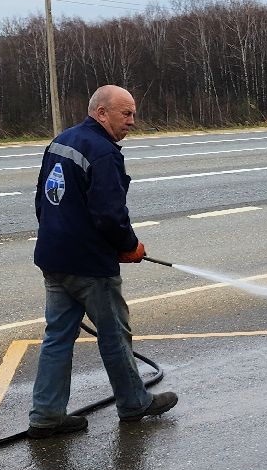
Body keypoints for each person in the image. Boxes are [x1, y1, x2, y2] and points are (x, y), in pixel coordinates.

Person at [27, 84, 177, 437]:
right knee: (114, 335)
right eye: (126, 114)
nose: (132, 121)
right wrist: (129, 245)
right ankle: (134, 403)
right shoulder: (103, 152)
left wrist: (56, 236)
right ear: (101, 112)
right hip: (90, 265)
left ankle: (46, 415)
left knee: (57, 338)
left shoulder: (61, 141)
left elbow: (42, 200)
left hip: (54, 257)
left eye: (133, 113)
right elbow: (110, 214)